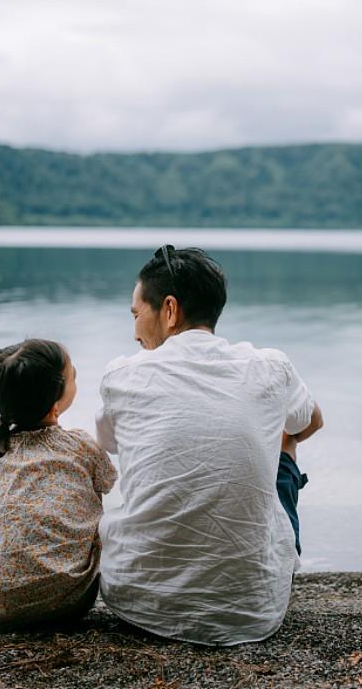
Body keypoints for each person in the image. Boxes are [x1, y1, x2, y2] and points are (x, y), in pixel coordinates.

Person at [95, 246, 324, 646]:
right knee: (285, 434)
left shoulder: (123, 374)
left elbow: (108, 445)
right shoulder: (270, 366)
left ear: (169, 310)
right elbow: (313, 421)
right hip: (255, 610)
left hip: (138, 602)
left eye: (136, 315)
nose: (134, 331)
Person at [0, 339, 117, 634]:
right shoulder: (80, 446)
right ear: (55, 405)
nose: (75, 375)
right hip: (68, 601)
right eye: (72, 375)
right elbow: (103, 488)